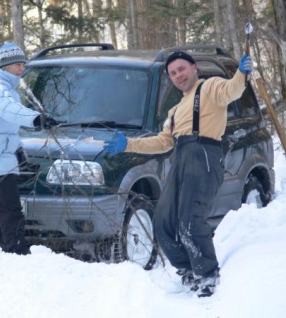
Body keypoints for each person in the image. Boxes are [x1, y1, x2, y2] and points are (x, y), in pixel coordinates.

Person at [104, 51, 253, 297]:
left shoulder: (209, 87)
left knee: (191, 220)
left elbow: (232, 90)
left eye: (181, 69)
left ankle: (207, 275)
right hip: (181, 159)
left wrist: (242, 74)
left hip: (204, 154)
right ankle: (188, 270)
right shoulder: (175, 112)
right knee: (163, 223)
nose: (178, 75)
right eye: (173, 73)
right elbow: (163, 143)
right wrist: (128, 144)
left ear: (194, 68)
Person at [0, 42, 57, 255]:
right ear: (5, 65)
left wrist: (19, 153)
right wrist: (37, 119)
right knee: (11, 210)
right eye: (18, 64)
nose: (22, 69)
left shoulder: (2, 85)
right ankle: (17, 253)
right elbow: (9, 110)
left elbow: (5, 128)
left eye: (23, 64)